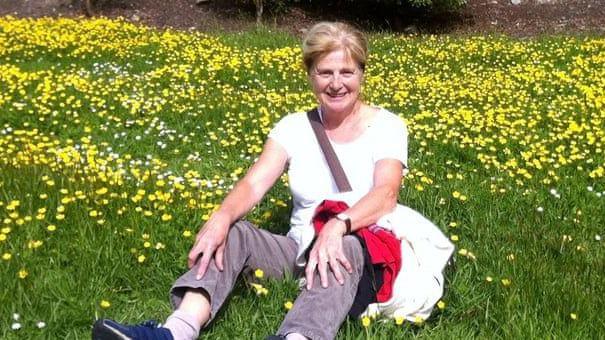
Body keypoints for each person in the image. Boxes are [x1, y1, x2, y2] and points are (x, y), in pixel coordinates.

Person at [92, 21, 409, 340]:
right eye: (325, 72)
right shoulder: (293, 128)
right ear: (310, 74)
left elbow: (386, 192)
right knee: (234, 233)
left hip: (358, 247)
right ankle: (175, 331)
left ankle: (298, 337)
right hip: (298, 248)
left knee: (346, 245)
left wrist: (338, 225)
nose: (336, 83)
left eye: (347, 72)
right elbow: (254, 184)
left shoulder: (386, 127)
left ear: (362, 74)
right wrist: (222, 216)